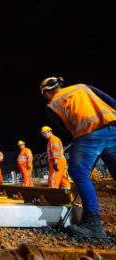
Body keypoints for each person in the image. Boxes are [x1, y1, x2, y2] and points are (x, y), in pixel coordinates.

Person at [40, 76, 116, 238]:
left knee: (78, 173)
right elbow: (111, 101)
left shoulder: (51, 105)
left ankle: (93, 223)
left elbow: (67, 128)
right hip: (113, 128)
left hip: (89, 134)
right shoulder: (82, 86)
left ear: (46, 93)